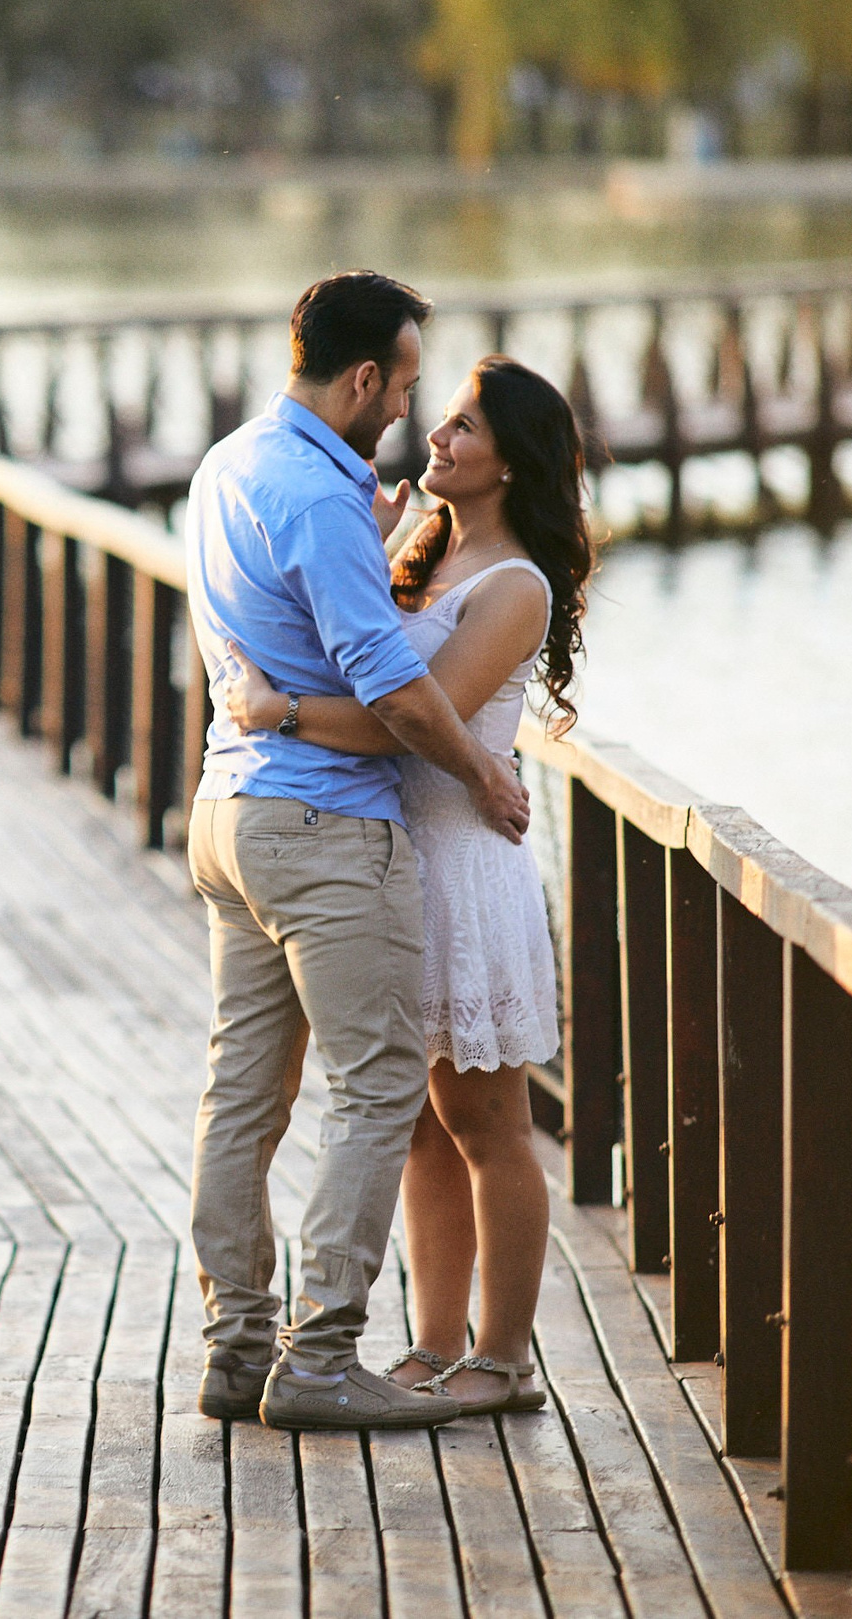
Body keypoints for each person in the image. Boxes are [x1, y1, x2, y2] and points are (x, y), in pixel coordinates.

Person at [184, 271, 532, 1433]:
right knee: (380, 1087)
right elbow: (392, 692)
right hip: (325, 825)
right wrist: (485, 770)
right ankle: (323, 1354)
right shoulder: (324, 498)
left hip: (227, 814)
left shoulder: (227, 466)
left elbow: (279, 644)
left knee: (243, 1096)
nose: (408, 413)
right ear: (364, 376)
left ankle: (236, 1345)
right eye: (407, 385)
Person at [224, 355, 593, 1416]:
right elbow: (365, 665)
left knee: (486, 1121)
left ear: (511, 462)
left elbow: (411, 725)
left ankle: (504, 1355)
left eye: (465, 428)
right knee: (420, 1123)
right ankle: (431, 1344)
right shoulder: (423, 555)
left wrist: (275, 714)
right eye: (442, 421)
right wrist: (378, 545)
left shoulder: (512, 586)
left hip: (465, 870)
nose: (436, 437)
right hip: (393, 864)